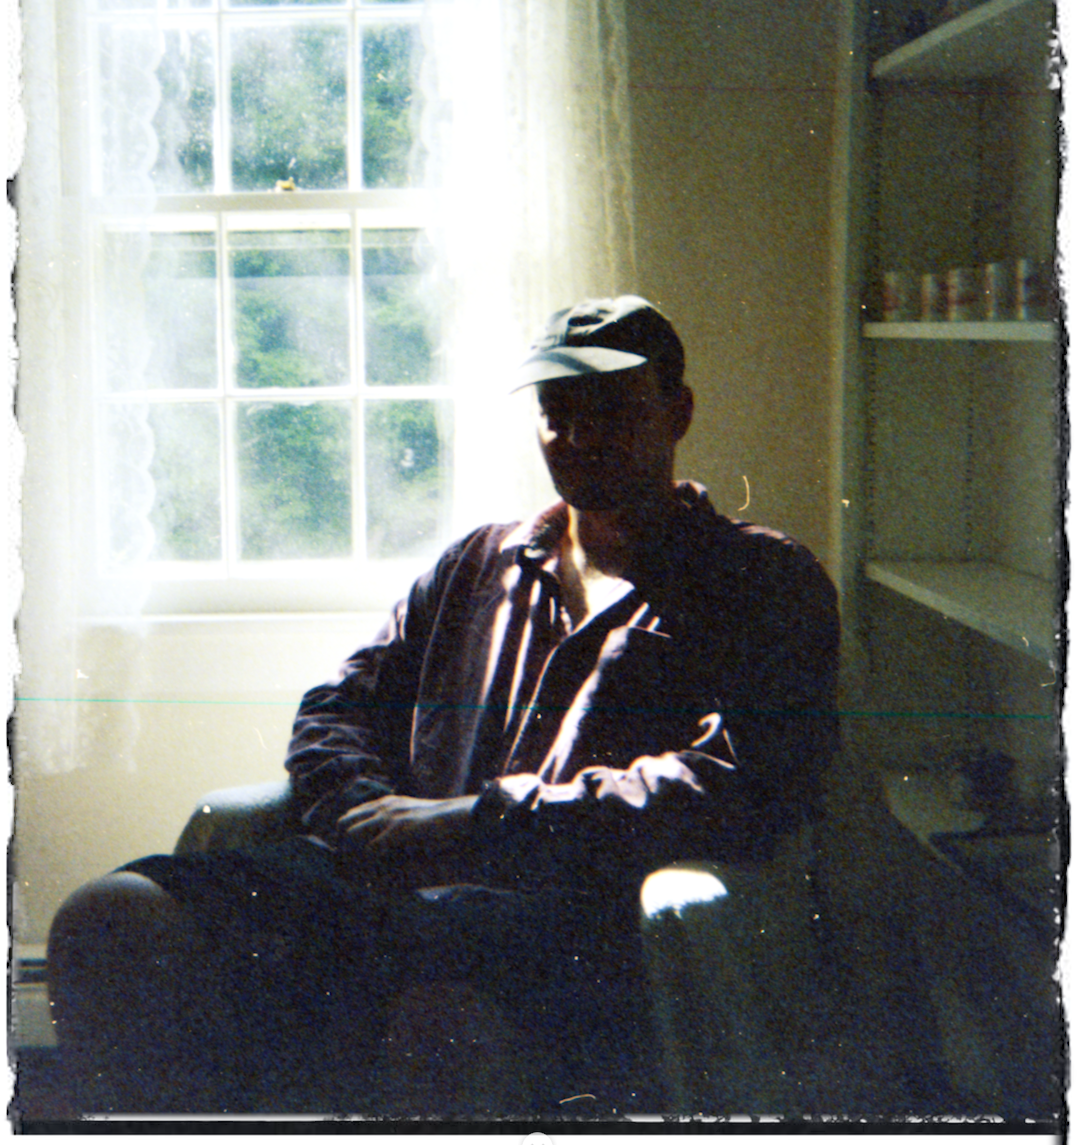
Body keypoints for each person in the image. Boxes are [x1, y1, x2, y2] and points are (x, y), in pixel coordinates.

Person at [46, 296, 840, 1117]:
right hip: (391, 892)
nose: (578, 434)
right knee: (110, 919)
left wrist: (479, 822)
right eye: (556, 411)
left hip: (569, 916)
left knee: (439, 1021)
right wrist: (365, 815)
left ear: (678, 412)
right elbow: (338, 707)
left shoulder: (759, 578)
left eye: (611, 408)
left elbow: (744, 781)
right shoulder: (478, 564)